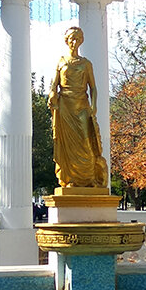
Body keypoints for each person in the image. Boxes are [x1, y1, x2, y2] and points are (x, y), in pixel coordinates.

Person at [48, 26, 108, 188]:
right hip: (65, 106)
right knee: (68, 145)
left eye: (77, 39)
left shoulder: (86, 63)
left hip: (81, 105)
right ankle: (70, 180)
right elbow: (54, 85)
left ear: (81, 41)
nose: (74, 42)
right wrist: (52, 94)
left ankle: (89, 179)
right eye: (71, 39)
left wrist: (94, 106)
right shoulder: (61, 62)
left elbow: (93, 87)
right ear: (67, 41)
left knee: (86, 142)